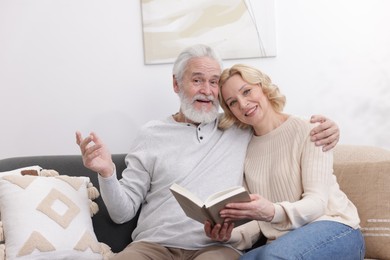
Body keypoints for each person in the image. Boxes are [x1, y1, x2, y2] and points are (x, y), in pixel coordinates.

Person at [76, 44, 340, 260]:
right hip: (154, 245)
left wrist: (327, 128)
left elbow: (276, 125)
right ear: (177, 84)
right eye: (197, 80)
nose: (207, 90)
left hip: (215, 247)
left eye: (214, 82)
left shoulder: (238, 124)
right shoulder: (150, 135)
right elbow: (122, 213)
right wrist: (108, 173)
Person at [206, 64, 365, 259]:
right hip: (282, 242)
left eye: (247, 91)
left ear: (263, 87)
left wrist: (273, 211)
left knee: (273, 256)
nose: (243, 104)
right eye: (233, 102)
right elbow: (257, 221)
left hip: (336, 229)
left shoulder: (310, 130)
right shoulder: (244, 148)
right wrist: (227, 234)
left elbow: (318, 203)